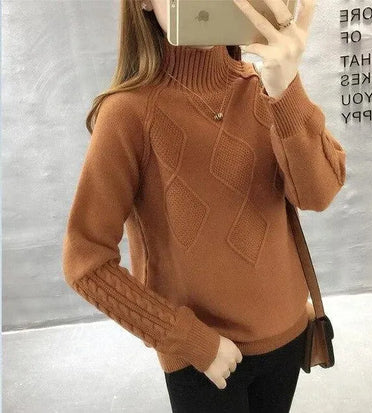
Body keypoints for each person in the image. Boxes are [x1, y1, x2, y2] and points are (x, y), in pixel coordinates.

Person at [62, 0, 346, 411]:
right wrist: (184, 338)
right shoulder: (128, 113)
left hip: (288, 335)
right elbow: (85, 261)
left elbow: (318, 194)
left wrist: (287, 90)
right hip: (203, 360)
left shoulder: (264, 87)